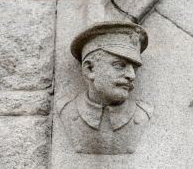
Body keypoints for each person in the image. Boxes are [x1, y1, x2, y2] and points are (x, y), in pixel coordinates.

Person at [59, 22, 153, 154]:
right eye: (119, 65)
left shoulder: (143, 114)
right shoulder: (66, 111)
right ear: (90, 69)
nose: (131, 75)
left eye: (134, 68)